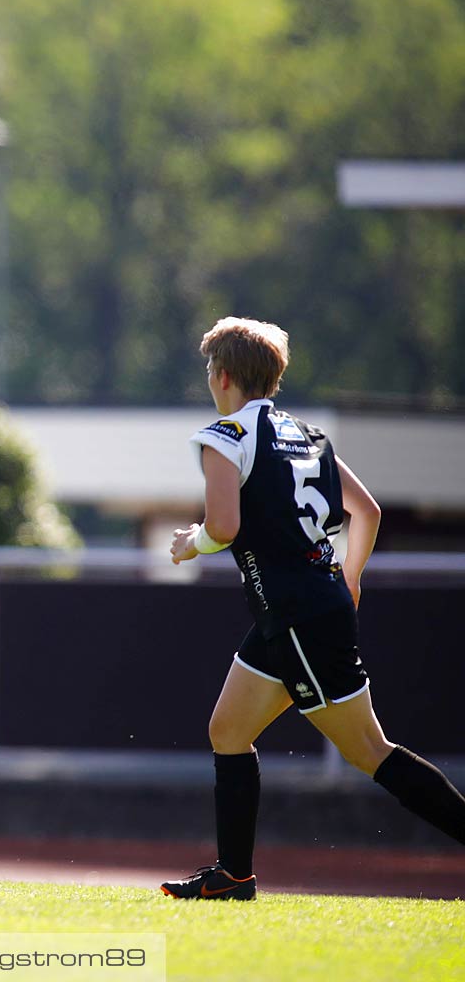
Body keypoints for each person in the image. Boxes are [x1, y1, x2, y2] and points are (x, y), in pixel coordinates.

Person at [161, 317, 465, 900]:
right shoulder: (308, 435)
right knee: (228, 729)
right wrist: (349, 578)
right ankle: (234, 876)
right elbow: (367, 510)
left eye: (208, 370)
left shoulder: (223, 436)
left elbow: (224, 526)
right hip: (301, 607)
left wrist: (189, 544)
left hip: (297, 614)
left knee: (370, 751)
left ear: (222, 376)